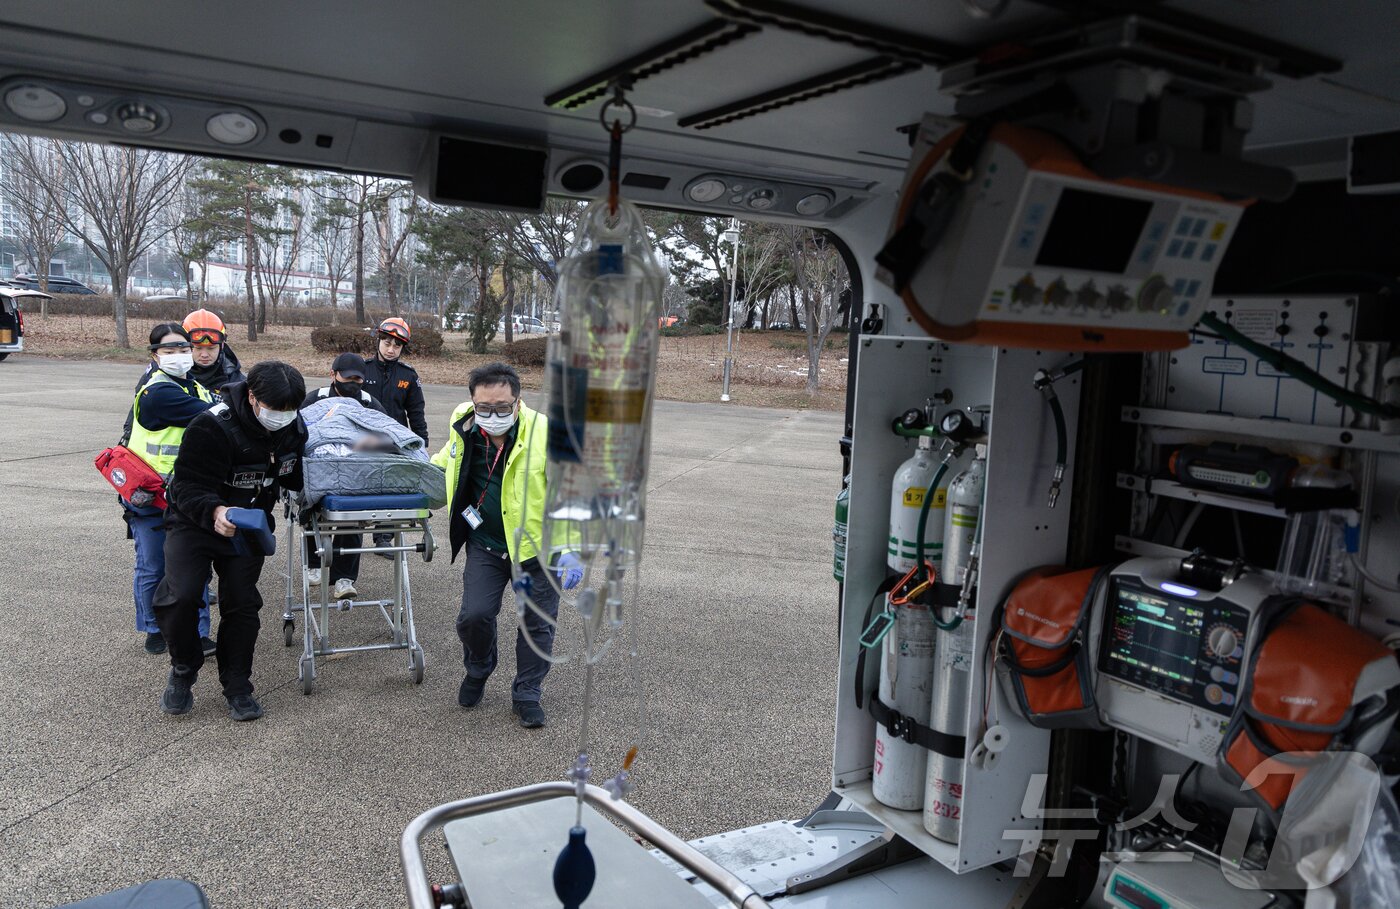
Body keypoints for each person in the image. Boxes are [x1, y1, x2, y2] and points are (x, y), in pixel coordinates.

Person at [152, 361, 308, 721]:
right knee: (181, 596)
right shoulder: (211, 425)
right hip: (195, 521)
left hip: (249, 523)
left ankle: (237, 685)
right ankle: (183, 668)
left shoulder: (293, 428)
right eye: (276, 410)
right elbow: (186, 486)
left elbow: (295, 476)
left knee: (241, 604)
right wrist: (215, 512)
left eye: (290, 410)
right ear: (252, 397)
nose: (282, 417)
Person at [431, 362, 582, 728]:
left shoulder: (548, 433)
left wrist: (571, 547)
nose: (493, 415)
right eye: (484, 407)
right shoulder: (464, 424)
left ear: (518, 401)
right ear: (472, 402)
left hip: (537, 552)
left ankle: (527, 693)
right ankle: (479, 667)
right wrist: (415, 473)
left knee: (537, 626)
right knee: (474, 616)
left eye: (502, 407)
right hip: (486, 544)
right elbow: (445, 462)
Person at [124, 324, 218, 655]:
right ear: (155, 356)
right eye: (169, 350)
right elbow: (213, 414)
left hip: (187, 495)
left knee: (195, 568)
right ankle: (154, 627)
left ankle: (197, 632)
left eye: (182, 348)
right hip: (150, 494)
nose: (178, 356)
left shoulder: (198, 388)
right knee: (153, 564)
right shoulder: (157, 392)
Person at [299, 351, 385, 599]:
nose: (352, 384)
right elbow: (300, 431)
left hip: (355, 471)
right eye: (347, 378)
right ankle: (314, 566)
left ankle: (344, 578)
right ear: (333, 375)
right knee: (311, 512)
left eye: (358, 380)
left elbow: (386, 432)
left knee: (352, 518)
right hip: (320, 468)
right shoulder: (315, 398)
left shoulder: (370, 402)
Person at [363, 317, 428, 553]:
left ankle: (384, 537)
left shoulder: (408, 375)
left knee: (392, 487)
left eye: (397, 346)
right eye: (387, 343)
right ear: (378, 341)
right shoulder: (363, 369)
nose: (391, 350)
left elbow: (416, 413)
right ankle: (351, 532)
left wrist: (423, 443)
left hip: (395, 442)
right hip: (362, 440)